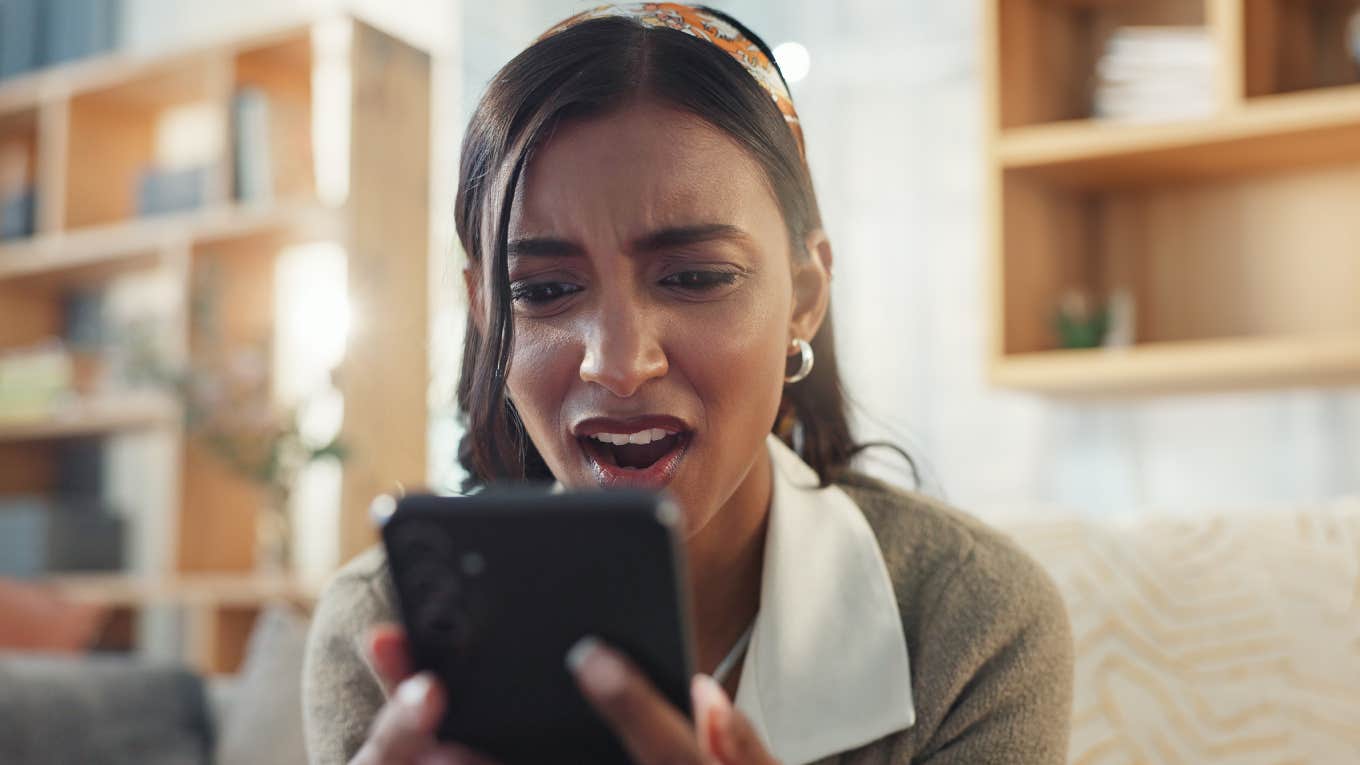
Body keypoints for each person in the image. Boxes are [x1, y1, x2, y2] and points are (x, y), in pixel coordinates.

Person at [302, 4, 1073, 764]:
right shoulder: (385, 627)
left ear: (805, 295)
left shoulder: (967, 624)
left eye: (696, 276)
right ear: (486, 313)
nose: (619, 362)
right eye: (541, 290)